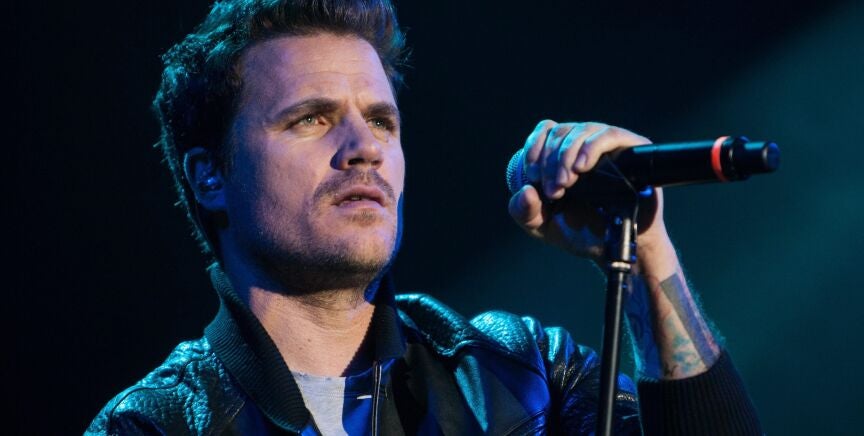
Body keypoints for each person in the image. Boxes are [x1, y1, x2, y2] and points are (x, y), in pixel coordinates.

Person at [87, 0, 762, 434]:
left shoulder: (524, 374)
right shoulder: (155, 426)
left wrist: (643, 247)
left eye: (381, 121)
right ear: (210, 175)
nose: (365, 148)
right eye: (312, 118)